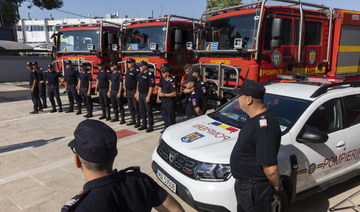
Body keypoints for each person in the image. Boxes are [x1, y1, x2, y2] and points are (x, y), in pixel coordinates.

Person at [62, 119, 185, 212]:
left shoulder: (81, 207)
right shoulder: (140, 181)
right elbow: (175, 210)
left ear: (77, 161)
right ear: (115, 153)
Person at [229, 80, 283, 212]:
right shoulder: (254, 119)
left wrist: (277, 185)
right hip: (247, 187)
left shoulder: (264, 126)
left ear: (249, 99)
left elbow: (270, 168)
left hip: (255, 189)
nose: (237, 99)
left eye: (239, 96)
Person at [135, 61, 155, 133]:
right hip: (141, 94)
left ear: (145, 66)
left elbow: (151, 86)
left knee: (149, 111)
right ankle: (144, 124)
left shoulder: (149, 74)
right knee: (142, 110)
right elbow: (138, 83)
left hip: (146, 94)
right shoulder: (140, 74)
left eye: (141, 66)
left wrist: (148, 96)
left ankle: (150, 125)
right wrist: (137, 93)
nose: (139, 68)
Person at [157, 66, 177, 132]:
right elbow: (160, 87)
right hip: (164, 101)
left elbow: (174, 93)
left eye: (163, 73)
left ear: (168, 73)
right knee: (164, 115)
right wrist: (158, 96)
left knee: (170, 116)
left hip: (170, 101)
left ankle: (172, 130)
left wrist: (164, 95)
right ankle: (166, 128)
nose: (162, 74)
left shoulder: (172, 81)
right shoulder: (163, 80)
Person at [124, 58, 140, 127]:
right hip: (128, 91)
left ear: (133, 63)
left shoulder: (136, 71)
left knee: (136, 106)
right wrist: (125, 90)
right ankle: (133, 119)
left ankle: (138, 121)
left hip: (133, 90)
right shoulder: (127, 71)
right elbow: (126, 81)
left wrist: (137, 92)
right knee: (130, 106)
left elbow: (138, 82)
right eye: (127, 63)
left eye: (129, 63)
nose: (128, 64)